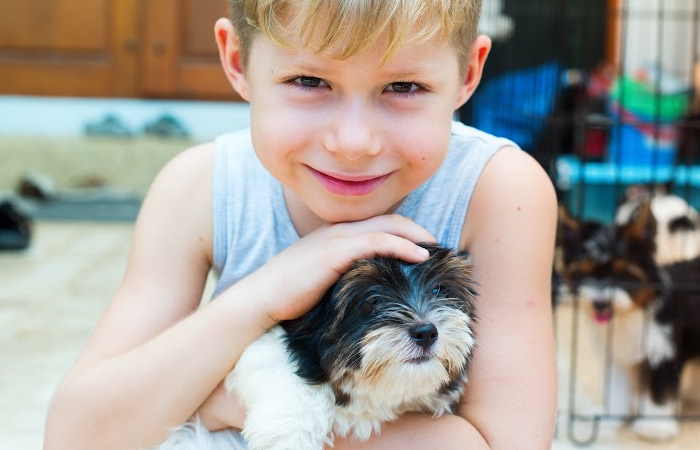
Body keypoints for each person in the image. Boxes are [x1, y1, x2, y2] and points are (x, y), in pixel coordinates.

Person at [44, 1, 557, 449]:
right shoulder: (199, 188)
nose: (353, 142)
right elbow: (77, 436)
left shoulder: (497, 191)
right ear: (237, 60)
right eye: (309, 81)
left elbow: (507, 442)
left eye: (404, 86)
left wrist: (220, 404)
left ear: (468, 73)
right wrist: (268, 292)